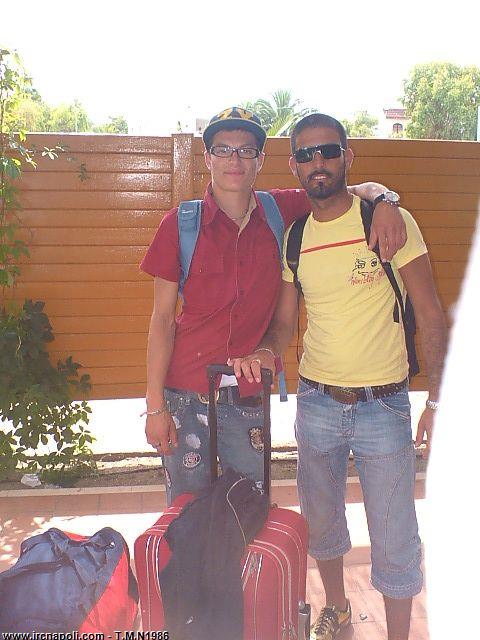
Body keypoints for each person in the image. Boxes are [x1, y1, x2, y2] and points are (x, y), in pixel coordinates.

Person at [231, 113, 447, 640]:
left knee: (395, 534)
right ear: (294, 166)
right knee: (322, 523)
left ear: (347, 156)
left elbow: (432, 314)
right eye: (306, 155)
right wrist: (265, 351)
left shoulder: (387, 221)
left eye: (328, 151)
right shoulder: (295, 237)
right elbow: (284, 323)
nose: (318, 162)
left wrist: (437, 404)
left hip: (384, 407)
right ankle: (338, 609)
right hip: (318, 404)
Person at [140, 106, 407, 506]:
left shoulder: (281, 210)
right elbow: (162, 321)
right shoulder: (180, 224)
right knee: (186, 512)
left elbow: (347, 190)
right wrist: (155, 406)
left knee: (248, 509)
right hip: (186, 393)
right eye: (223, 149)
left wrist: (385, 200)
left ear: (261, 160)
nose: (234, 160)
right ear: (208, 157)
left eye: (246, 150)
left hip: (248, 391)